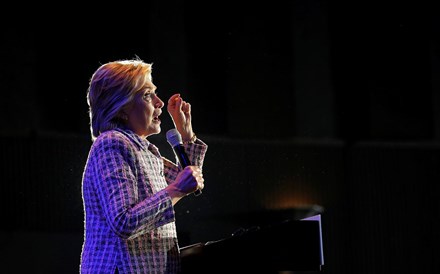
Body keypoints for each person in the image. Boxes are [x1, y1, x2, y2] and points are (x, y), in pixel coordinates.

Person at [79, 57, 208, 274]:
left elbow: (189, 182)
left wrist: (186, 135)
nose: (159, 102)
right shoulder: (112, 143)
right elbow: (124, 221)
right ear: (121, 108)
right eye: (148, 95)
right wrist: (176, 189)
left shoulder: (141, 148)